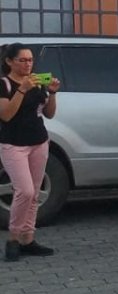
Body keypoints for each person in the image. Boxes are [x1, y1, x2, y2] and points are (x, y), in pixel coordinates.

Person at [0, 44, 60, 262]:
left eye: (30, 60)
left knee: (34, 193)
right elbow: (6, 115)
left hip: (38, 142)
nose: (28, 64)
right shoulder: (4, 84)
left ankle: (28, 238)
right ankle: (13, 238)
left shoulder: (36, 82)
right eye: (22, 60)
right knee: (24, 191)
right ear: (9, 61)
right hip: (13, 144)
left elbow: (49, 114)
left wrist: (52, 93)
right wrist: (22, 89)